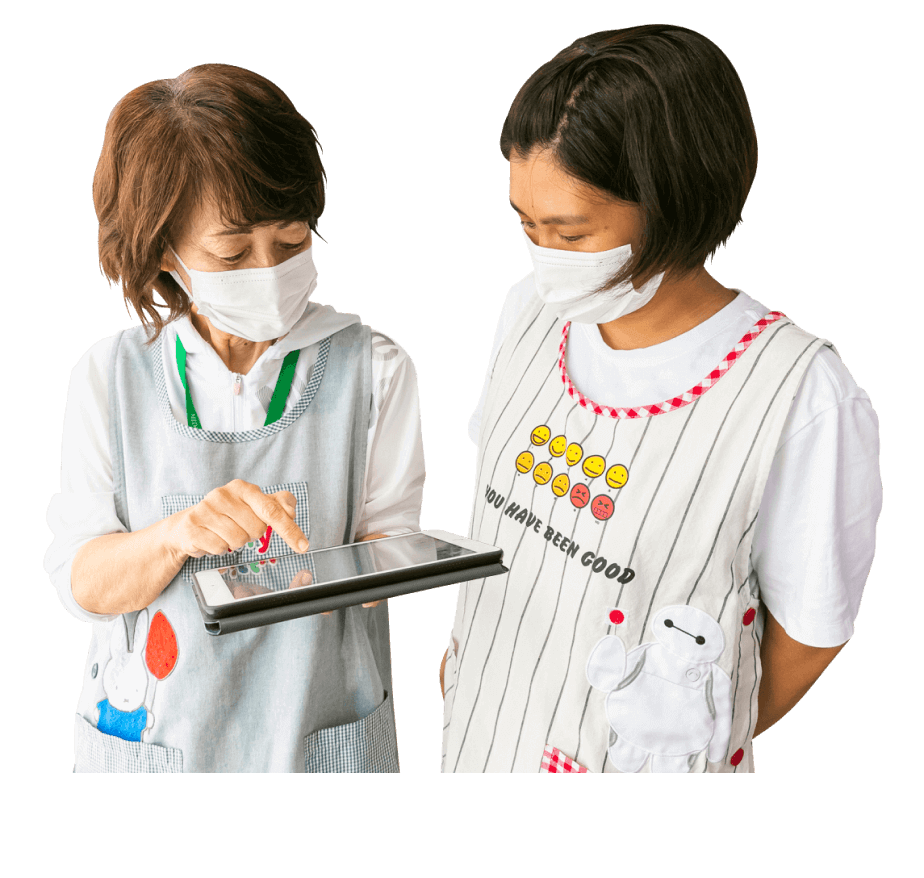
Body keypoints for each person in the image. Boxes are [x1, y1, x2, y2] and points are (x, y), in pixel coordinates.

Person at [439, 26, 879, 772]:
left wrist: (675, 742)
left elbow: (811, 632)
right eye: (526, 223)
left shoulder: (798, 394)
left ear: (675, 202)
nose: (543, 258)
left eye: (570, 233)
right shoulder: (528, 310)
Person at [47, 64, 424, 772]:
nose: (269, 269)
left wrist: (353, 573)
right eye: (231, 252)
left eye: (292, 241)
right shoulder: (110, 377)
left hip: (319, 736)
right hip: (159, 742)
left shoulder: (374, 370)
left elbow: (389, 554)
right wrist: (176, 537)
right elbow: (85, 582)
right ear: (164, 252)